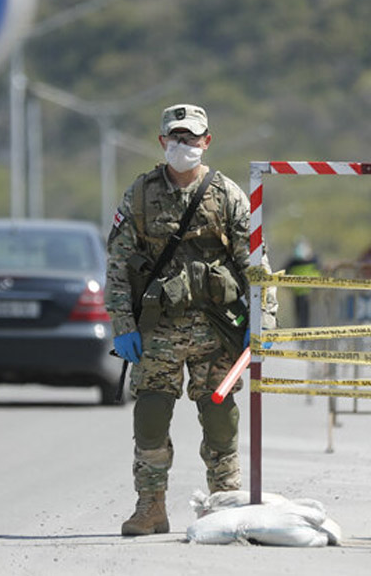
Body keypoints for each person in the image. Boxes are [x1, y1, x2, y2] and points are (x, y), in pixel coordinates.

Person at [106, 103, 276, 536]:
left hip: (215, 329)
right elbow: (119, 266)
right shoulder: (140, 194)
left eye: (191, 137)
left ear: (207, 141)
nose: (183, 145)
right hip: (158, 330)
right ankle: (150, 508)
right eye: (175, 138)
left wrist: (265, 319)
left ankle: (226, 508)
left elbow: (255, 261)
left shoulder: (228, 195)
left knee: (220, 420)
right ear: (162, 141)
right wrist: (123, 325)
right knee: (150, 415)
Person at [282, 238, 321, 328]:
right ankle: (301, 337)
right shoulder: (292, 262)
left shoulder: (315, 260)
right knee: (300, 315)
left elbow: (320, 273)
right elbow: (283, 274)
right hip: (298, 293)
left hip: (312, 293)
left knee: (312, 316)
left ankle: (310, 337)